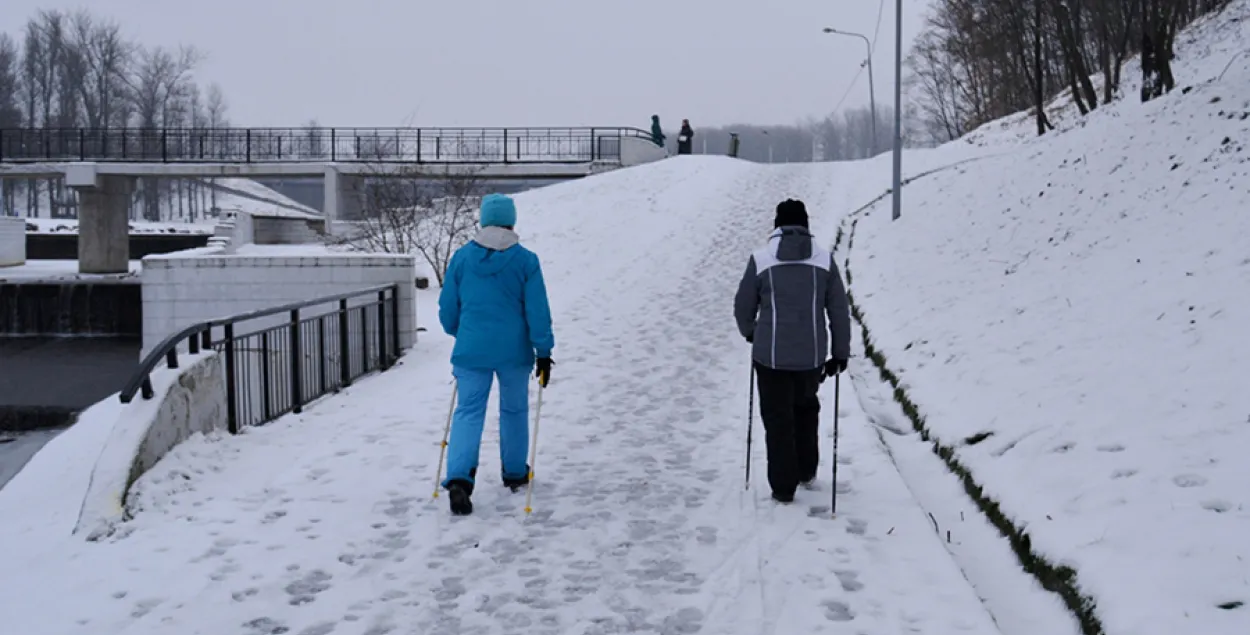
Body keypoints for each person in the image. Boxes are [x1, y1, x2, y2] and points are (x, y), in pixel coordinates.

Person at [438, 193, 555, 516]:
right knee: (514, 410)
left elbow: (448, 308)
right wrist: (543, 351)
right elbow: (537, 311)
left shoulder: (462, 258)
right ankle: (515, 471)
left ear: (483, 220)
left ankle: (460, 479)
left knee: (468, 412)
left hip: (471, 349)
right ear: (511, 221)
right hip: (513, 351)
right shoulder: (526, 260)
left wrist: (460, 332)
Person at [733, 199, 851, 503]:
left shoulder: (761, 260)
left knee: (777, 417)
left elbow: (743, 306)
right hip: (810, 357)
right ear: (806, 225)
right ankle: (806, 469)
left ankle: (783, 487)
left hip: (769, 356)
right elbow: (838, 310)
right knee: (805, 408)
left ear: (776, 226)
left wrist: (751, 333)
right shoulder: (824, 261)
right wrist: (840, 353)